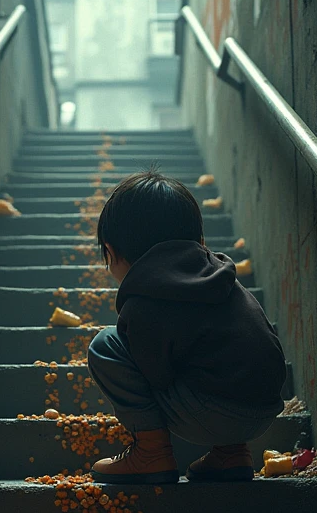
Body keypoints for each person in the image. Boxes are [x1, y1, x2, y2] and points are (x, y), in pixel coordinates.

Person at [87, 170, 287, 484]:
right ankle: (232, 454)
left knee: (105, 345)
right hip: (266, 409)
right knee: (214, 357)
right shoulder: (225, 282)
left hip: (210, 411)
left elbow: (157, 376)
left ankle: (151, 452)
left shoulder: (143, 301)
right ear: (200, 241)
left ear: (111, 253)